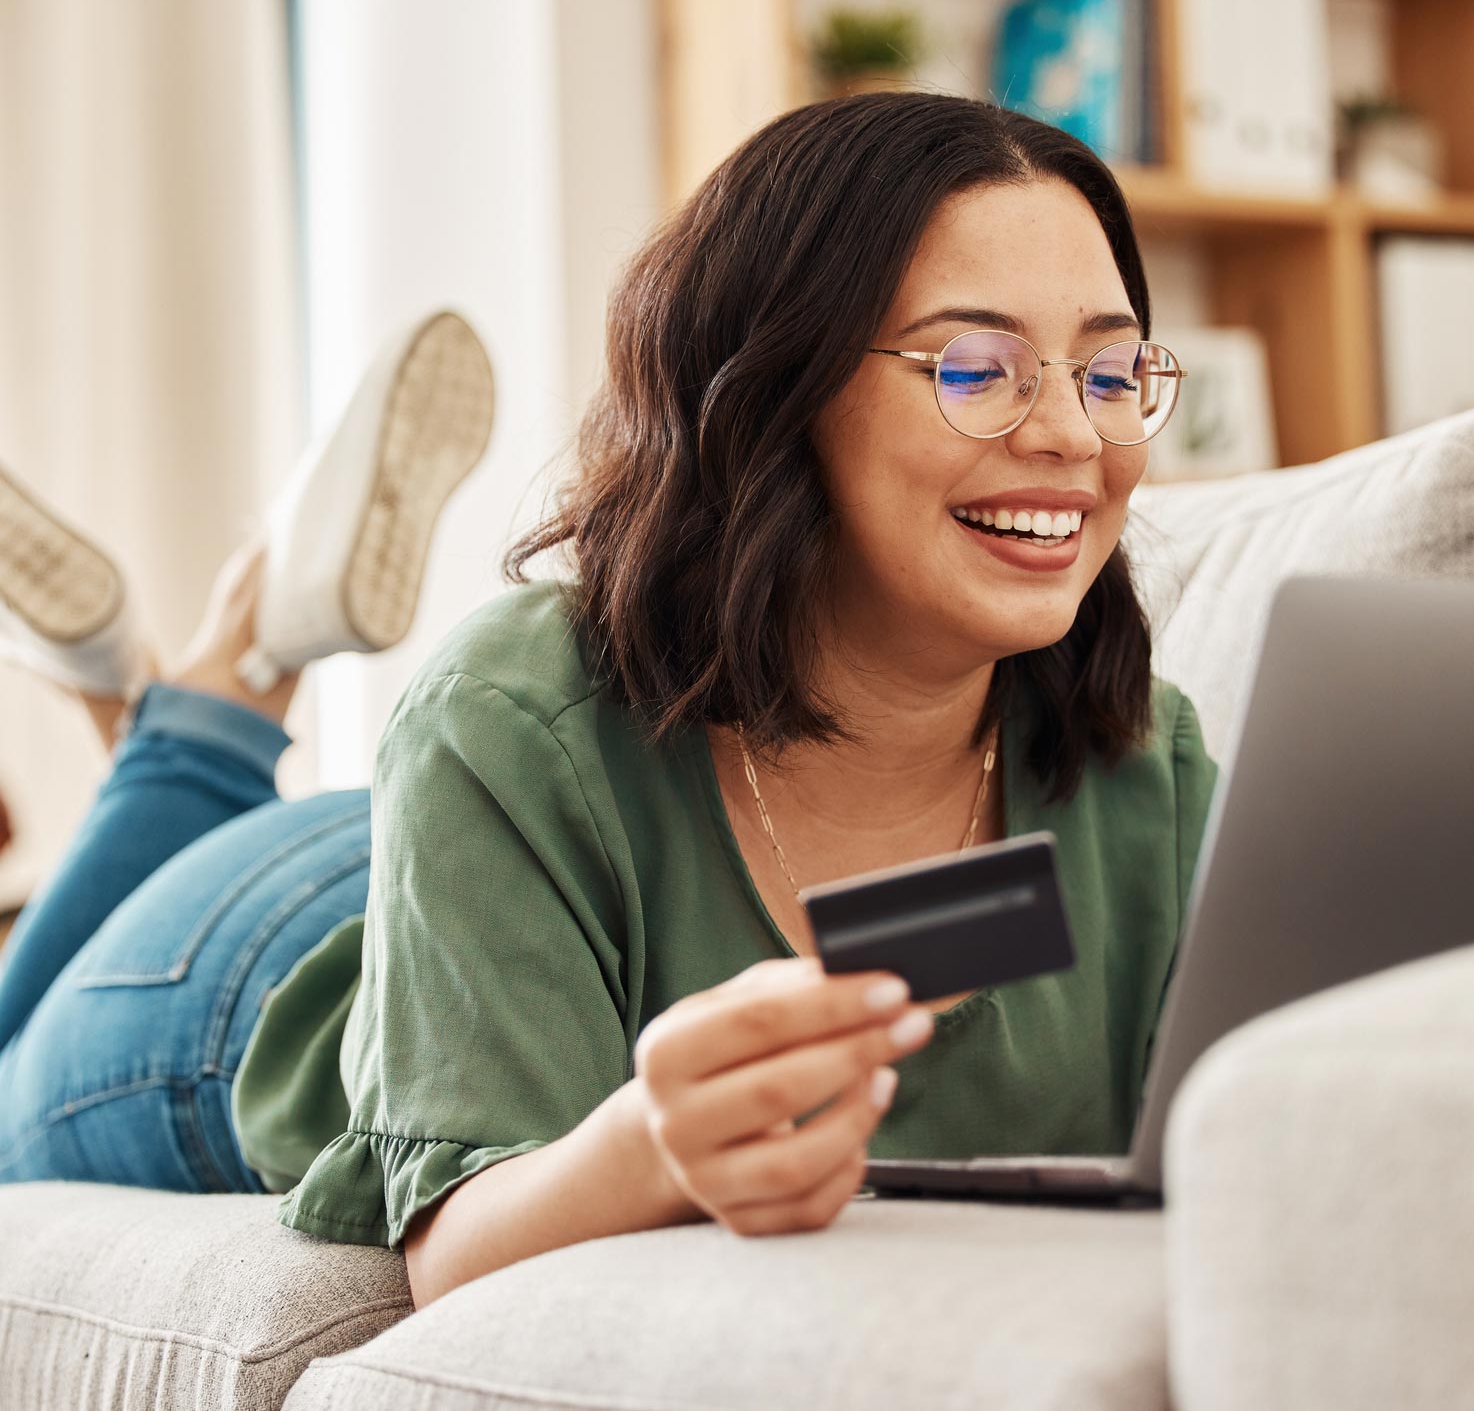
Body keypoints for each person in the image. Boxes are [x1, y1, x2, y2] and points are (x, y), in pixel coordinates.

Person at [0, 94, 1218, 1312]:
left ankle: (181, 674)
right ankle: (212, 704)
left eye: (1111, 372)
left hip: (514, 859)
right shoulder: (507, 718)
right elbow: (452, 1260)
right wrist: (649, 1152)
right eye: (974, 367)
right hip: (247, 970)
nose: (1070, 432)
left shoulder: (1146, 769)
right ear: (773, 390)